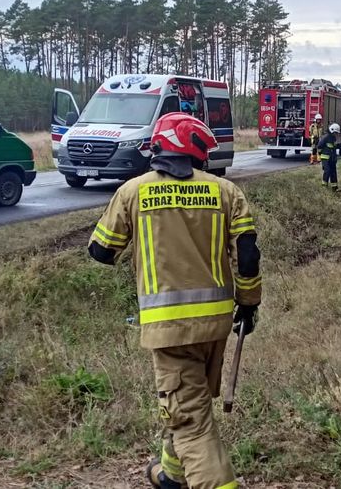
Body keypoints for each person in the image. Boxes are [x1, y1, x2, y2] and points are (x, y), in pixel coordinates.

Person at [88, 112, 261, 489]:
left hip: (168, 328)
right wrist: (248, 303)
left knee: (191, 423)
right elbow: (247, 256)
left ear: (159, 147)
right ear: (197, 153)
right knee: (187, 402)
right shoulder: (225, 192)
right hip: (216, 325)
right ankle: (171, 475)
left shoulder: (133, 191)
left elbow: (101, 251)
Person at [319, 123, 341, 192]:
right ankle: (324, 186)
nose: (336, 134)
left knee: (333, 172)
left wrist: (335, 158)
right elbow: (319, 147)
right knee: (327, 171)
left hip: (332, 159)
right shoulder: (325, 137)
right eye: (335, 133)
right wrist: (321, 155)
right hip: (325, 158)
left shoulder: (333, 138)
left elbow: (333, 149)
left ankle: (335, 188)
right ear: (332, 130)